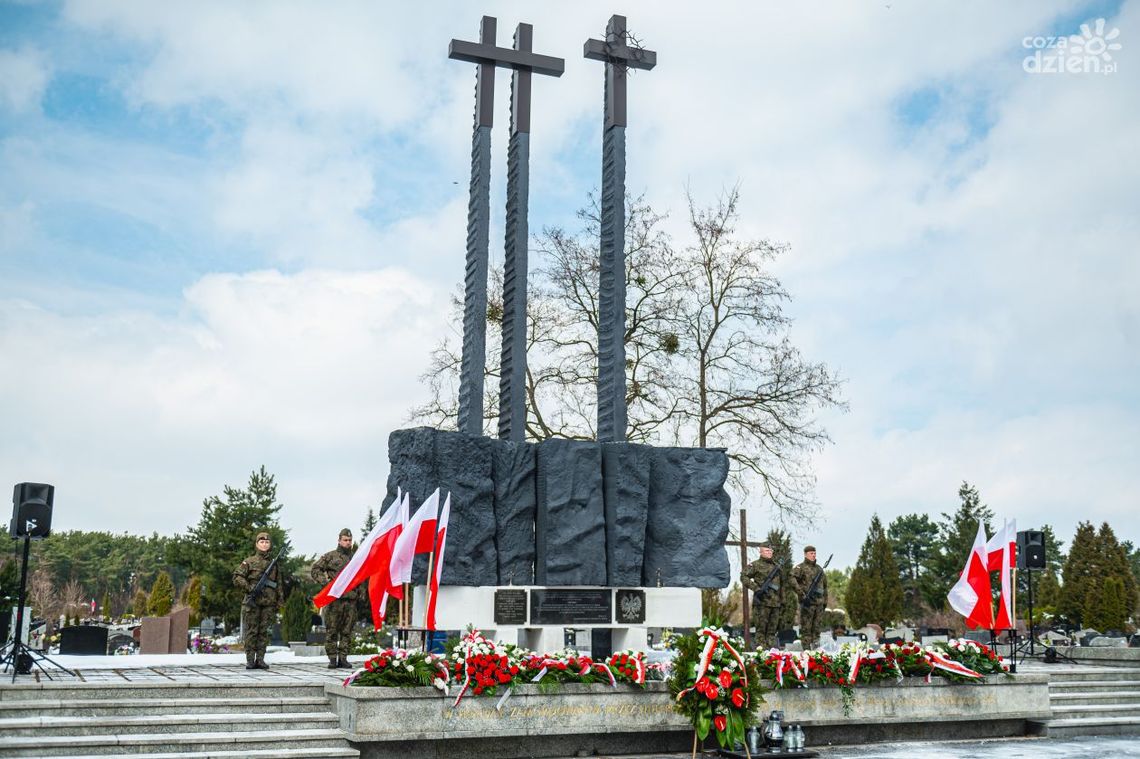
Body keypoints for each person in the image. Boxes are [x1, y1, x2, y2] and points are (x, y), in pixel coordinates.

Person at [232, 531, 283, 670]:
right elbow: (237, 577)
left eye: (267, 542)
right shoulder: (249, 561)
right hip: (253, 602)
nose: (264, 544)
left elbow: (278, 584)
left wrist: (280, 601)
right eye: (262, 542)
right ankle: (250, 660)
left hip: (268, 603)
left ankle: (260, 659)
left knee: (263, 632)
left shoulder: (274, 564)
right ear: (256, 544)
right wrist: (249, 587)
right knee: (252, 632)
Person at [311, 528, 359, 669]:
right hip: (334, 601)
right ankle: (332, 658)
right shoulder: (330, 556)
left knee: (347, 631)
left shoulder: (356, 558)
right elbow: (315, 569)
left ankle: (343, 658)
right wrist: (326, 584)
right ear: (339, 541)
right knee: (332, 630)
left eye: (350, 540)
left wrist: (360, 594)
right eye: (345, 540)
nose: (348, 543)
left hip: (350, 600)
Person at [741, 541, 784, 650]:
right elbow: (743, 576)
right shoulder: (755, 565)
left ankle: (772, 654)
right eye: (767, 550)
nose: (770, 552)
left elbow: (782, 585)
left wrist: (782, 601)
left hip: (775, 604)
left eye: (771, 550)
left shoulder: (777, 567)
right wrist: (756, 588)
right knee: (761, 631)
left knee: (772, 632)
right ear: (761, 552)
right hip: (761, 603)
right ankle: (762, 655)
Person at [792, 545, 828, 649]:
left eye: (814, 553)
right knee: (806, 630)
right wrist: (801, 593)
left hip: (819, 604)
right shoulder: (800, 567)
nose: (813, 555)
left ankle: (817, 651)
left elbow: (825, 587)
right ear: (805, 554)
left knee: (817, 630)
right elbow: (792, 579)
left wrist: (825, 601)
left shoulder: (819, 569)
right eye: (811, 553)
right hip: (807, 603)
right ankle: (807, 652)